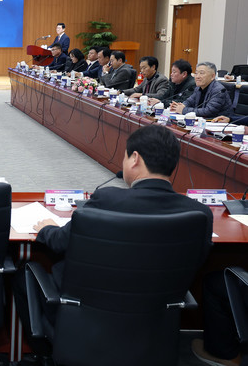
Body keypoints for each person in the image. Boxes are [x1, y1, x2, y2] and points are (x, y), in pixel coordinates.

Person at [13, 125, 214, 364]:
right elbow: (195, 263)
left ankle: (46, 352)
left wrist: (46, 227)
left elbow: (59, 242)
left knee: (24, 274)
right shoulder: (200, 214)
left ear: (135, 159)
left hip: (87, 319)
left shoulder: (107, 200)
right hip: (153, 322)